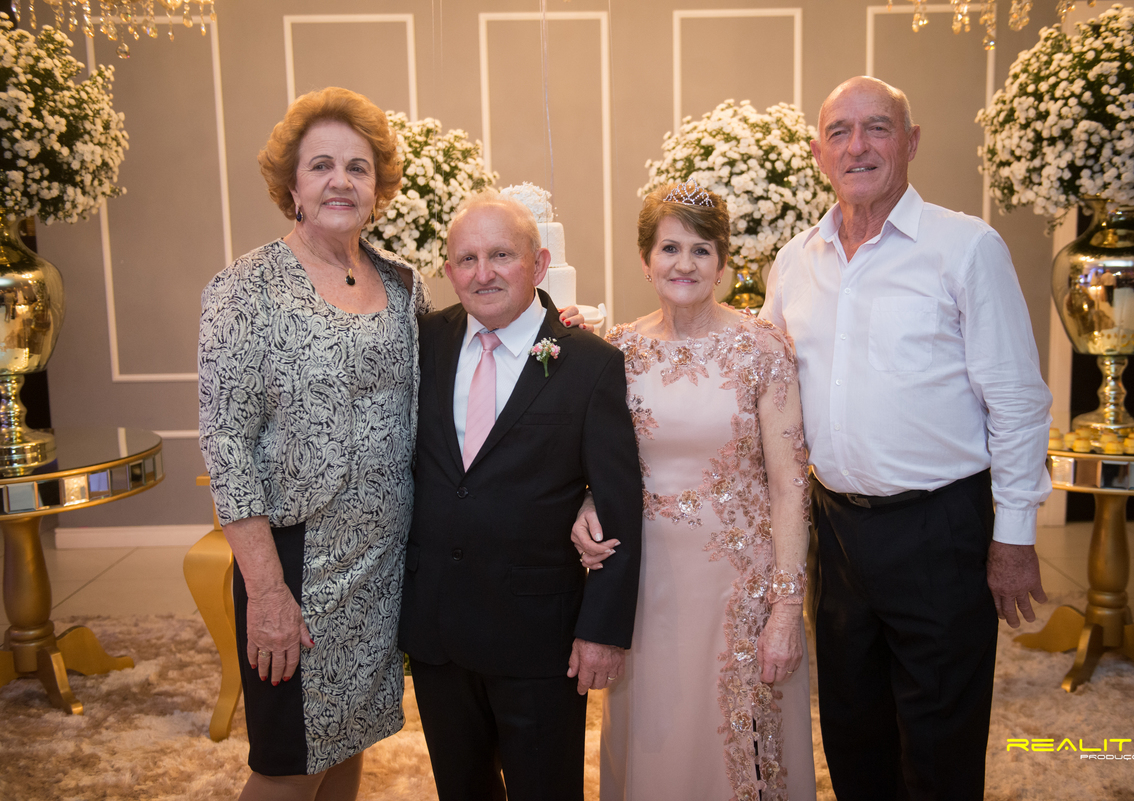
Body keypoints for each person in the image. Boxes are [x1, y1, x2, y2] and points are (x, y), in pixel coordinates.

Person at [198, 87, 588, 801]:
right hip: (297, 563)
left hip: (384, 566)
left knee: (348, 739)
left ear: (378, 186)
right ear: (292, 185)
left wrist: (562, 332)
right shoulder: (243, 291)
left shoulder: (401, 284)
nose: (340, 181)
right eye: (321, 165)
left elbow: (480, 365)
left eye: (358, 167)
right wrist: (267, 592)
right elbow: (226, 445)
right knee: (287, 762)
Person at [761, 76, 1052, 800]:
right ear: (819, 152)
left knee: (939, 743)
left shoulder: (966, 248)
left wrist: (1014, 536)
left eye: (878, 128)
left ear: (911, 142)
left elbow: (1017, 399)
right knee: (853, 732)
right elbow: (759, 388)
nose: (857, 146)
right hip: (836, 533)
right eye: (839, 131)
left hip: (939, 531)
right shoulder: (795, 262)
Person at [396, 190, 643, 801]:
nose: (483, 273)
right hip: (439, 627)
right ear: (449, 270)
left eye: (501, 255)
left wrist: (603, 630)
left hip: (538, 636)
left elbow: (619, 501)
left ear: (539, 264)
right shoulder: (423, 342)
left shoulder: (589, 363)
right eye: (467, 259)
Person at [582, 181, 817, 800]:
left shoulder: (762, 348)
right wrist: (587, 502)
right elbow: (602, 464)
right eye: (669, 248)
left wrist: (786, 610)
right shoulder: (617, 351)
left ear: (723, 263)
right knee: (656, 736)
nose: (683, 264)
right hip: (645, 586)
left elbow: (791, 488)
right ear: (645, 260)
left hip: (739, 588)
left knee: (734, 745)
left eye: (701, 250)